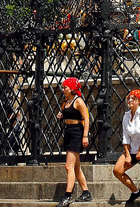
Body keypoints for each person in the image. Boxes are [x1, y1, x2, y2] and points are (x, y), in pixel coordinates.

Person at [57, 77, 91, 207]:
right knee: (76, 167)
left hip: (77, 131)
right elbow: (65, 113)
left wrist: (85, 135)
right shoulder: (67, 101)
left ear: (72, 88)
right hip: (68, 131)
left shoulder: (79, 101)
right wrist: (61, 115)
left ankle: (67, 195)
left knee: (68, 166)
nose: (63, 89)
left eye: (65, 87)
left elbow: (86, 118)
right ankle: (86, 192)